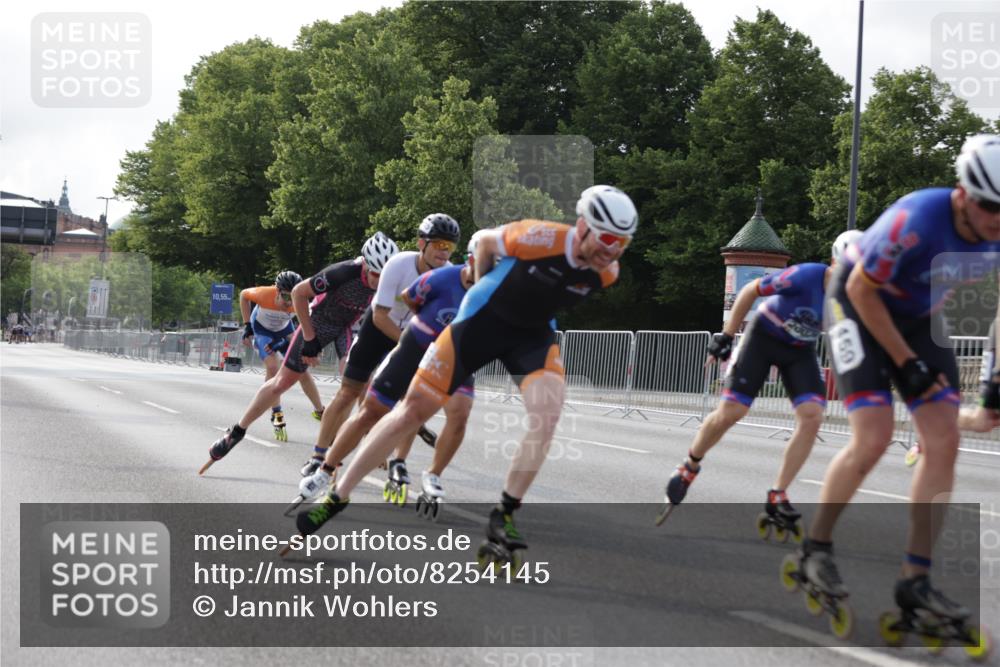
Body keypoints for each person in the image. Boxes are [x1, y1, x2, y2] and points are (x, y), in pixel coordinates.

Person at [292, 186, 638, 565]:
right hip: (477, 325)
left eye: (622, 243)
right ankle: (337, 496)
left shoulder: (608, 272)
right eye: (606, 238)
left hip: (529, 338)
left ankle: (503, 514)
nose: (612, 250)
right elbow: (488, 242)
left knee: (549, 415)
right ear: (583, 226)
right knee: (410, 413)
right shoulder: (543, 237)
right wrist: (484, 286)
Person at [796, 134, 1000, 623]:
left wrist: (994, 381)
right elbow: (862, 292)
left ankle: (915, 579)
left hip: (919, 317)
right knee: (874, 438)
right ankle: (816, 547)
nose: (998, 220)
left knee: (944, 440)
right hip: (856, 306)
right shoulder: (915, 218)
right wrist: (907, 363)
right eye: (990, 206)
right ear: (962, 192)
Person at [658, 229, 864, 533]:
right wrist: (726, 336)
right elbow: (749, 291)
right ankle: (689, 466)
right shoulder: (805, 276)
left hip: (799, 349)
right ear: (834, 262)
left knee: (812, 416)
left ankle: (778, 492)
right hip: (764, 336)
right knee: (733, 412)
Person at [295, 231, 487, 514]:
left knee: (410, 404)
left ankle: (400, 462)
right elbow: (383, 314)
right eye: (439, 245)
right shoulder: (399, 265)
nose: (444, 251)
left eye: (449, 246)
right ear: (423, 245)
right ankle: (320, 459)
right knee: (351, 393)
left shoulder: (462, 279)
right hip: (381, 328)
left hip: (414, 337)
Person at [198, 232, 398, 474]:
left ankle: (339, 444)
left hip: (347, 328)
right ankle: (237, 430)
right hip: (319, 323)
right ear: (365, 262)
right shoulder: (342, 272)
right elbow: (298, 293)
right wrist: (310, 339)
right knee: (281, 382)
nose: (378, 280)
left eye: (383, 275)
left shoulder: (391, 278)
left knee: (356, 384)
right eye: (374, 273)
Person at [239, 271, 326, 441]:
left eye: (292, 298)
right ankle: (277, 414)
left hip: (285, 332)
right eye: (285, 297)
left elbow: (306, 330)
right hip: (262, 331)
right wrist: (247, 325)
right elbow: (243, 295)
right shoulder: (264, 294)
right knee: (273, 367)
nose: (288, 303)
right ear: (277, 291)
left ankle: (320, 411)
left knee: (303, 371)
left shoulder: (299, 301)